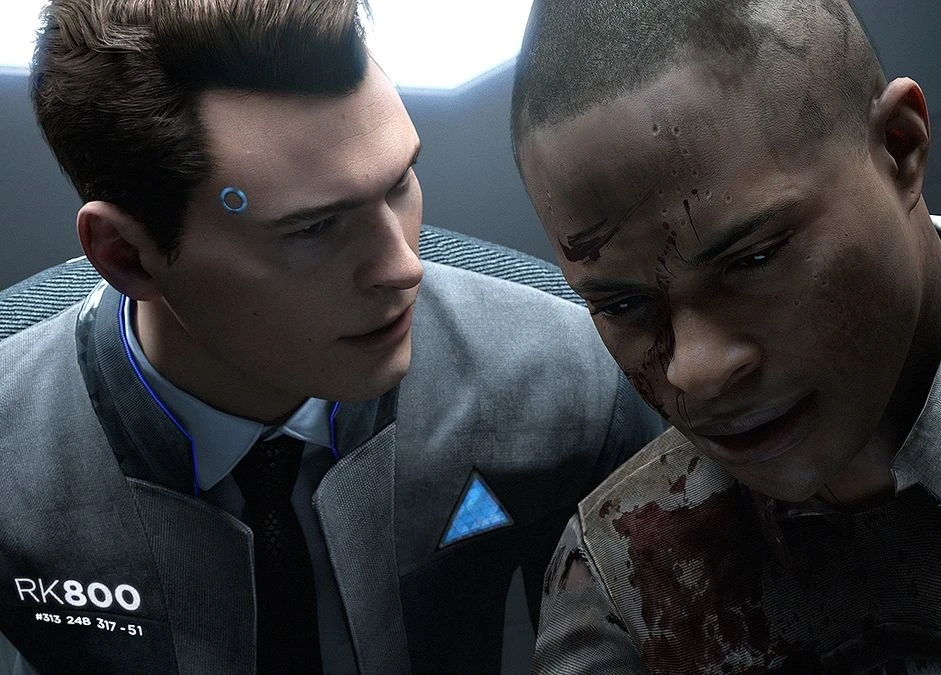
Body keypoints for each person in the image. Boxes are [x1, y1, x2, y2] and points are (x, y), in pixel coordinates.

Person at [509, 0, 941, 671]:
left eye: (753, 259)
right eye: (624, 305)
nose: (694, 370)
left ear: (899, 147)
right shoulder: (623, 573)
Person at [0, 0, 661, 672]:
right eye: (314, 228)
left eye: (399, 182)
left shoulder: (571, 379)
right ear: (126, 256)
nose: (404, 267)